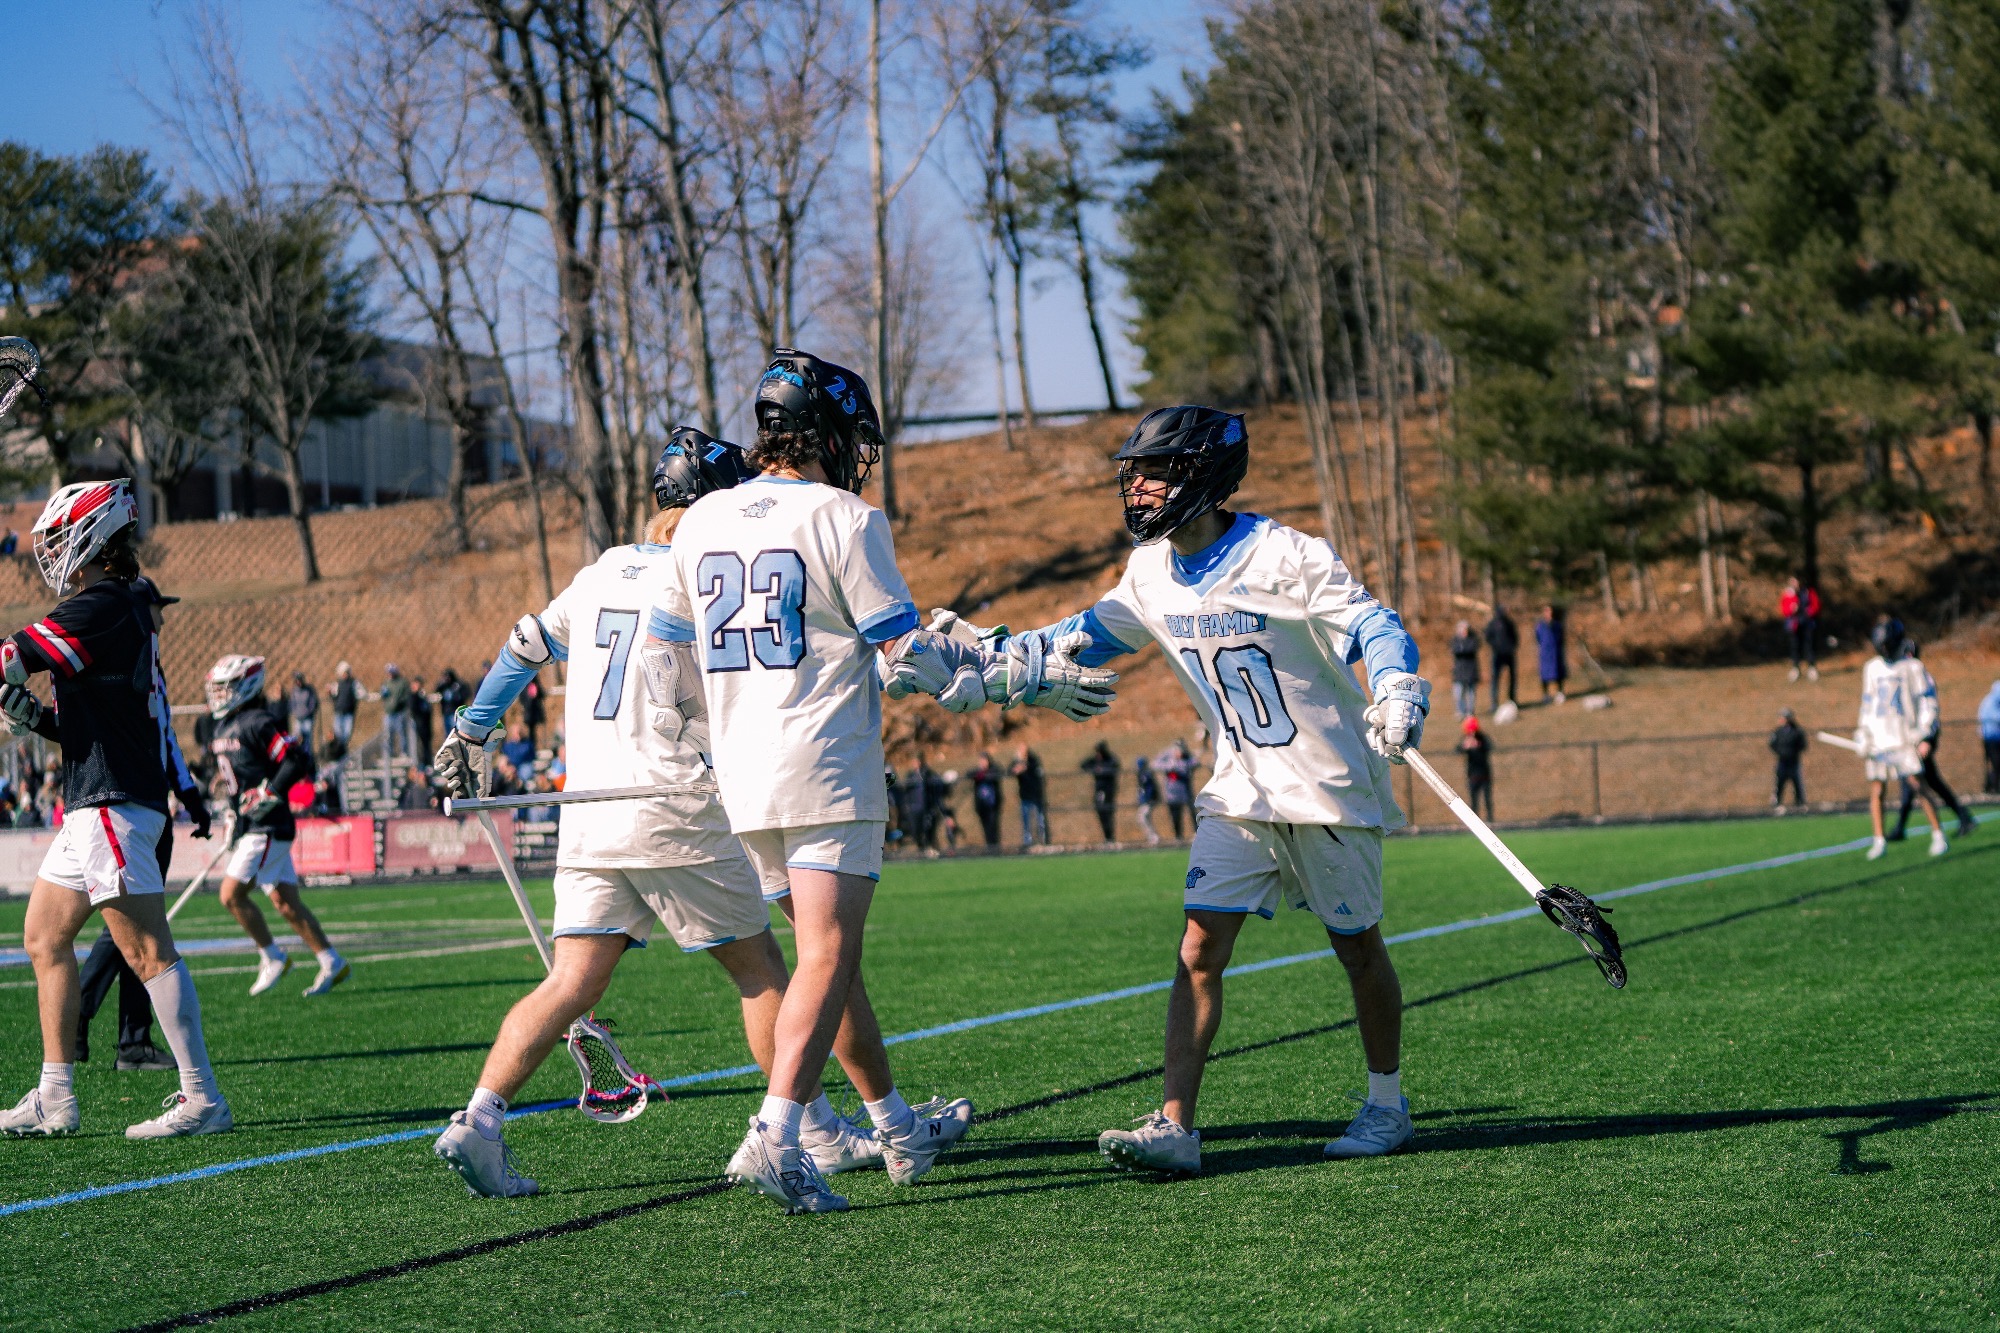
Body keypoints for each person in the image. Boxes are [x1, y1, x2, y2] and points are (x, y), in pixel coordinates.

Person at [644, 351, 1109, 1213]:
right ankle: (776, 1133)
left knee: (830, 962)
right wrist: (1015, 674)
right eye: (851, 433)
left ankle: (894, 1124)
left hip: (743, 776)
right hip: (821, 762)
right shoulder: (844, 517)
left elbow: (665, 671)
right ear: (822, 430)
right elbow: (907, 660)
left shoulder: (701, 521)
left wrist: (714, 740)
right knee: (828, 953)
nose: (859, 450)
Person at [433, 426, 888, 1199]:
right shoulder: (706, 571)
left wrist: (471, 727)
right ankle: (810, 1129)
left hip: (588, 812)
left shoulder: (598, 573)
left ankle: (478, 1118)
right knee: (761, 971)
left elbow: (522, 645)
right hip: (675, 802)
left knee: (571, 979)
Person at [978, 405, 1429, 1172]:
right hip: (1239, 786)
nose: (1140, 488)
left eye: (1156, 471)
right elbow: (1088, 630)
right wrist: (995, 654)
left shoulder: (1285, 554)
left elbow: (1375, 624)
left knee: (1357, 948)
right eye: (1135, 473)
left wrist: (1395, 685)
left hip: (1324, 783)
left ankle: (1387, 1104)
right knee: (1198, 946)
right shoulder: (1150, 569)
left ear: (1205, 476)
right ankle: (1175, 1126)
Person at [0, 479, 229, 1138]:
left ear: (90, 534)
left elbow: (15, 655)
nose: (49, 551)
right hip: (95, 800)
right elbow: (95, 720)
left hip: (111, 803)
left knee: (146, 949)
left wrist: (9, 679)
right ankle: (54, 1095)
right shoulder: (117, 602)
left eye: (56, 536)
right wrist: (37, 717)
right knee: (44, 936)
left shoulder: (100, 602)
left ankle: (202, 1095)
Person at [72, 575, 202, 1073]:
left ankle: (131, 1038)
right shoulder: (134, 658)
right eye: (156, 608)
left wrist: (187, 793)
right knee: (133, 924)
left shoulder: (140, 659)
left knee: (135, 922)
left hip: (130, 801)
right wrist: (187, 792)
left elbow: (164, 733)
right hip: (130, 804)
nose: (162, 618)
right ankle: (89, 1020)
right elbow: (164, 736)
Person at [206, 655, 350, 997]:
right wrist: (231, 816)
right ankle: (332, 960)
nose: (221, 695)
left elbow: (295, 760)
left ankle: (272, 956)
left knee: (230, 895)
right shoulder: (222, 726)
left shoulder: (258, 721)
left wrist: (270, 791)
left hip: (268, 825)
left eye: (227, 688)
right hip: (252, 824)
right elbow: (234, 783)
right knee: (285, 902)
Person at [1856, 617, 1945, 860]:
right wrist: (1863, 733)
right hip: (1879, 739)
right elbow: (1868, 704)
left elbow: (1928, 703)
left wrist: (1924, 734)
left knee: (1918, 786)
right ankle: (1878, 839)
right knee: (1877, 789)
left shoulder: (1913, 667)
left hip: (1904, 738)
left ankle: (1938, 834)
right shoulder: (1872, 668)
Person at [1888, 640, 1975, 841]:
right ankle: (1962, 817)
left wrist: (1926, 738)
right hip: (1912, 738)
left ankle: (1903, 826)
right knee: (1921, 781)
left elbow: (1929, 709)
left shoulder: (1920, 675)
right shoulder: (1906, 675)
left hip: (1923, 738)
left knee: (1916, 780)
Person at [1780, 577, 1821, 683]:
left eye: (1796, 581)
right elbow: (1784, 609)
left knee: (1809, 645)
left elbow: (1816, 605)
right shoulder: (1788, 594)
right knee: (1795, 646)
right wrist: (1791, 608)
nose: (1794, 583)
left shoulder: (1809, 591)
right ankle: (1795, 668)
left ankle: (1812, 668)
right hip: (1794, 625)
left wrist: (1809, 612)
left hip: (1808, 624)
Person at [1769, 707, 1807, 813]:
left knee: (1797, 782)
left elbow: (1803, 745)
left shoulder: (1797, 731)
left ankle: (1800, 802)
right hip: (1782, 761)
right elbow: (1772, 744)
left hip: (1794, 762)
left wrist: (1792, 752)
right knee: (1779, 782)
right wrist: (1781, 752)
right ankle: (1777, 802)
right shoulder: (1778, 732)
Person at [1011, 744, 1049, 846]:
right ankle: (1028, 842)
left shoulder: (1033, 760)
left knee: (1040, 820)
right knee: (1026, 821)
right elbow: (1010, 770)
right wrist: (1017, 766)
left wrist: (1025, 767)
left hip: (1036, 794)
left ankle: (1043, 840)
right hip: (1025, 795)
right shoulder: (1016, 760)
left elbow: (1037, 771)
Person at [1082, 741, 1120, 843]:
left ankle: (1110, 836)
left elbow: (1115, 767)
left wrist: (1102, 770)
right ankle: (1107, 837)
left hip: (1108, 790)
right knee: (1101, 812)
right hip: (1099, 791)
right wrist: (1094, 769)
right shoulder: (1095, 760)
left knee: (1108, 813)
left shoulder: (1110, 759)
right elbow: (1083, 765)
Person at [1157, 740, 1195, 838]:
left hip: (1186, 792)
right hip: (1172, 793)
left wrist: (1183, 765)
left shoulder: (1187, 757)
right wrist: (1169, 766)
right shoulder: (1167, 756)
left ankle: (1197, 834)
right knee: (1175, 816)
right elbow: (1155, 764)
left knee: (1192, 813)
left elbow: (1195, 762)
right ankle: (1178, 836)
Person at [1483, 605, 1518, 709]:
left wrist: (1512, 647)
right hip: (1497, 655)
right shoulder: (1493, 623)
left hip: (1509, 654)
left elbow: (1515, 637)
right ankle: (1494, 702)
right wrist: (1495, 646)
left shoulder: (1509, 623)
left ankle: (1512, 700)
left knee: (1512, 678)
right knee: (1495, 678)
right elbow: (1487, 636)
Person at [1460, 716, 1493, 820]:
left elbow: (1489, 746)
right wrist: (1465, 747)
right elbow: (1457, 749)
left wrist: (1478, 745)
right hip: (1473, 775)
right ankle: (1475, 820)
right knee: (1474, 801)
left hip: (1484, 774)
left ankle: (1490, 820)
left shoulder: (1482, 738)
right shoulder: (1466, 739)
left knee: (1487, 800)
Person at [379, 664, 413, 766]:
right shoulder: (386, 683)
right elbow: (383, 695)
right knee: (388, 734)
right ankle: (389, 753)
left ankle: (403, 752)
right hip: (389, 713)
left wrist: (399, 701)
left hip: (400, 712)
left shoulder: (402, 682)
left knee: (401, 732)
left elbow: (407, 695)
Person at [970, 752, 1003, 848]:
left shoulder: (994, 769)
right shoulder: (977, 771)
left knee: (993, 828)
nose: (983, 762)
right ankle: (989, 848)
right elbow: (969, 774)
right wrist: (980, 773)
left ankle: (996, 849)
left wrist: (984, 775)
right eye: (981, 760)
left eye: (984, 760)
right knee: (986, 829)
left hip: (992, 805)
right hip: (982, 805)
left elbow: (997, 773)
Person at [1448, 619, 1481, 718]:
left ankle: (1470, 711)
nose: (1464, 631)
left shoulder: (1473, 639)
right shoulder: (1455, 640)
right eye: (1462, 629)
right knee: (1458, 693)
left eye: (1465, 629)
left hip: (1471, 670)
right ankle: (1460, 711)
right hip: (1459, 671)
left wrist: (1463, 649)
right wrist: (1462, 649)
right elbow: (1455, 650)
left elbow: (1471, 649)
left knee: (1471, 693)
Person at [1536, 604, 1566, 704]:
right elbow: (1538, 638)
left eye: (1550, 611)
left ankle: (1560, 692)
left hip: (1556, 652)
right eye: (1547, 611)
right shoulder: (1540, 626)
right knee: (1545, 674)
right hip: (1545, 653)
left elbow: (1561, 638)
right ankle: (1546, 694)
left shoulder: (1557, 625)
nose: (1549, 613)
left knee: (1558, 672)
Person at [1134, 755, 1163, 847]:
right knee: (1144, 817)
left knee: (1142, 817)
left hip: (1149, 800)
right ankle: (1153, 837)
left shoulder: (1145, 774)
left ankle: (1153, 837)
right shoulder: (1142, 774)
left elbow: (1149, 789)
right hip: (1146, 800)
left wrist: (1149, 799)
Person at [329, 662, 358, 748]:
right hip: (338, 712)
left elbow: (357, 696)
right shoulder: (337, 684)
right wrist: (330, 694)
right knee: (338, 734)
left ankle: (343, 749)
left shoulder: (353, 683)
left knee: (346, 734)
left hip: (349, 713)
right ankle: (339, 750)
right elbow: (334, 697)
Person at [286, 671, 318, 750]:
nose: (299, 682)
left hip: (308, 719)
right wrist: (295, 712)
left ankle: (308, 756)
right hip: (298, 719)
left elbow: (313, 703)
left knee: (307, 740)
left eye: (300, 680)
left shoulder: (309, 690)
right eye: (297, 681)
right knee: (296, 739)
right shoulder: (294, 691)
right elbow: (292, 703)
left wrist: (308, 712)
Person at [408, 674, 435, 762]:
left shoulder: (422, 696)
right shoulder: (412, 696)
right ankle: (419, 764)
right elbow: (413, 708)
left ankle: (427, 761)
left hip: (424, 724)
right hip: (417, 723)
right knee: (417, 745)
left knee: (426, 744)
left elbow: (428, 709)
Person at [1981, 678, 2000, 795]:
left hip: (1994, 738)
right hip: (1991, 738)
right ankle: (1992, 787)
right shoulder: (1990, 702)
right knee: (1996, 763)